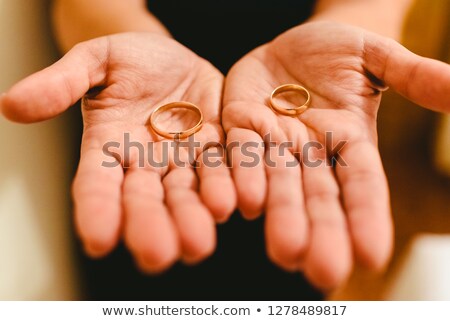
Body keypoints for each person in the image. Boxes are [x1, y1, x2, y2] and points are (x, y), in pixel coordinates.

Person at [1, 0, 450, 299]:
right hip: (145, 126)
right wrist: (117, 28)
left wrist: (355, 25)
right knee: (141, 269)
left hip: (297, 132)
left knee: (294, 262)